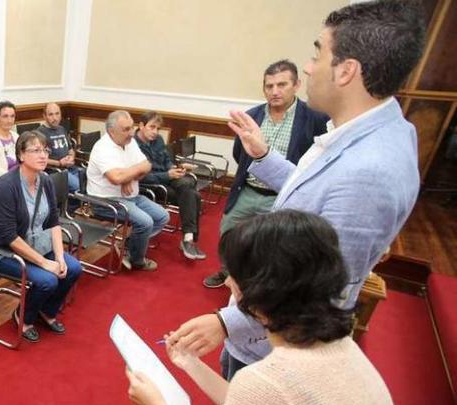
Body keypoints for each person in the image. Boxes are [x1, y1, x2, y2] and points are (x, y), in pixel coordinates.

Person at [170, 0, 425, 381]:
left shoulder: (368, 171)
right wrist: (263, 154)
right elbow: (309, 190)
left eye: (318, 52)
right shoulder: (368, 133)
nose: (308, 66)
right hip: (262, 317)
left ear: (346, 71)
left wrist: (227, 323)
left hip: (276, 345)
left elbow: (319, 291)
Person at [92, 209, 398, 405]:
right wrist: (190, 363)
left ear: (260, 297)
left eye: (233, 275)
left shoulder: (268, 382)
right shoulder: (340, 344)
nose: (226, 281)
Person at [202, 60, 328, 288]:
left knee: (273, 245)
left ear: (296, 85)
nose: (275, 91)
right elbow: (240, 154)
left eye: (282, 85)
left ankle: (256, 283)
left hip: (282, 196)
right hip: (248, 190)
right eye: (269, 86)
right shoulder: (252, 116)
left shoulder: (315, 118)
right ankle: (227, 272)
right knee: (228, 233)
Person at [0, 131, 82, 343]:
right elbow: (9, 236)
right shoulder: (6, 186)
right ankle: (23, 316)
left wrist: (60, 257)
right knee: (47, 280)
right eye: (35, 150)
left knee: (72, 268)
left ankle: (46, 310)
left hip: (36, 242)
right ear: (20, 155)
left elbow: (54, 221)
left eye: (45, 150)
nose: (43, 155)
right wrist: (45, 262)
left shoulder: (45, 180)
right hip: (4, 251)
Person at [87, 110, 169, 271]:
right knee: (146, 222)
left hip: (131, 196)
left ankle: (128, 246)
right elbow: (116, 177)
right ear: (111, 131)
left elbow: (148, 165)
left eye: (131, 127)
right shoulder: (102, 148)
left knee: (162, 217)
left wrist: (127, 176)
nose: (132, 133)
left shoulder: (129, 142)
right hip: (106, 201)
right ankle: (137, 260)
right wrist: (130, 173)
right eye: (126, 129)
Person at [134, 111, 206, 260]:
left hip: (167, 179)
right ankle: (189, 239)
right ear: (141, 126)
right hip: (151, 185)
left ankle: (188, 238)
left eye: (158, 128)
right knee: (193, 195)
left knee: (188, 186)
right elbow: (140, 177)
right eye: (151, 127)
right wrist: (167, 175)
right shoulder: (132, 145)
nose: (155, 132)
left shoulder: (158, 140)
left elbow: (166, 160)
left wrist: (174, 167)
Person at [36, 102, 80, 192]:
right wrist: (59, 163)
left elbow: (71, 150)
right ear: (44, 116)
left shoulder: (62, 129)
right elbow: (39, 159)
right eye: (50, 114)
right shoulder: (39, 133)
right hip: (55, 171)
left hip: (71, 168)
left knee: (89, 182)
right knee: (78, 186)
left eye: (57, 114)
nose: (55, 118)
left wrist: (71, 157)